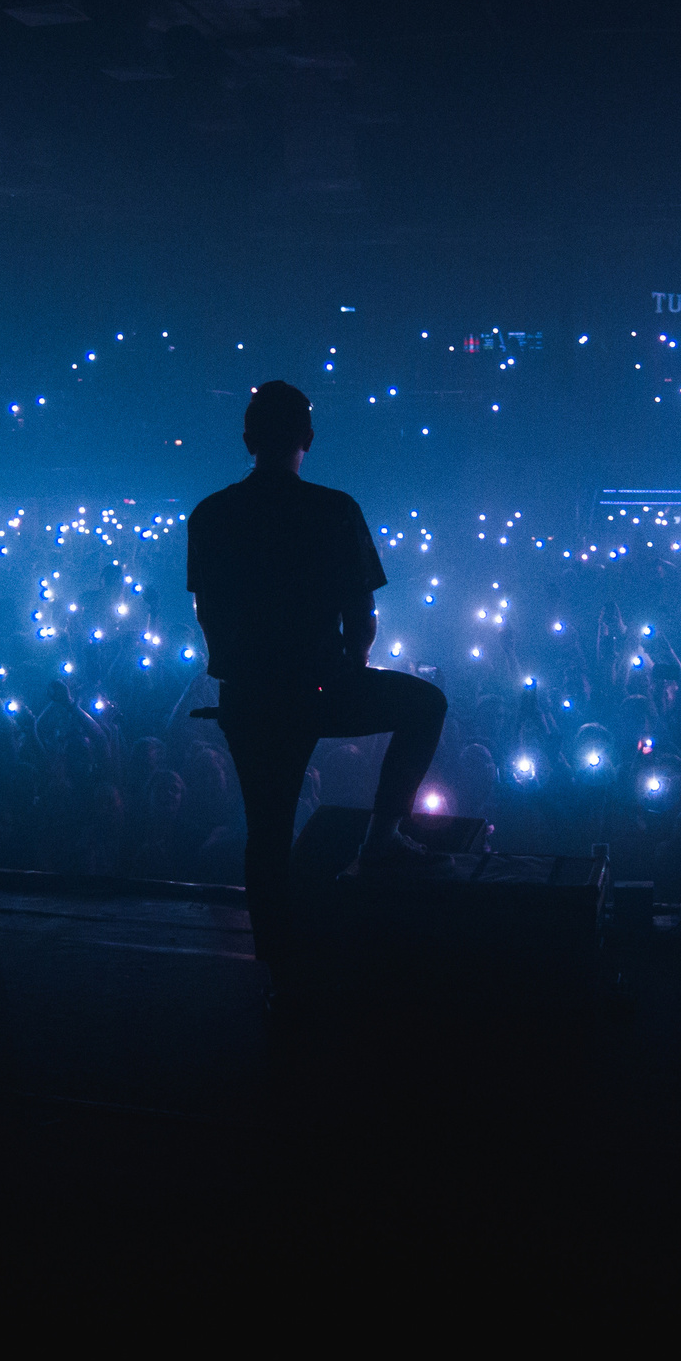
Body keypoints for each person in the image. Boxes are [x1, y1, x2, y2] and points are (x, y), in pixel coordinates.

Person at [186, 380, 447, 979]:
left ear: (247, 438)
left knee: (267, 832)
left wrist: (243, 675)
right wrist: (340, 677)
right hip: (320, 686)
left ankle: (276, 970)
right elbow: (361, 620)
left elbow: (210, 615)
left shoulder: (211, 514)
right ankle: (383, 836)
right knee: (425, 705)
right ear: (308, 439)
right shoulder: (334, 510)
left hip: (250, 697)